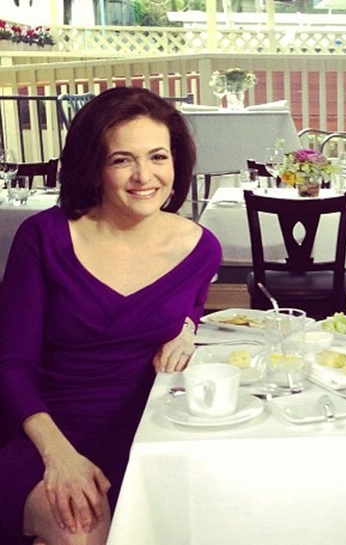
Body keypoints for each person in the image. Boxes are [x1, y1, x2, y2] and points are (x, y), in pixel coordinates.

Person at [0, 86, 222, 545]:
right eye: (122, 160)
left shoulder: (200, 247)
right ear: (94, 167)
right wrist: (59, 457)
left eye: (158, 157)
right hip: (43, 433)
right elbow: (11, 363)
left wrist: (186, 330)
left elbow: (193, 305)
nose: (144, 176)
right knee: (81, 528)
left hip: (149, 436)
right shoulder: (45, 236)